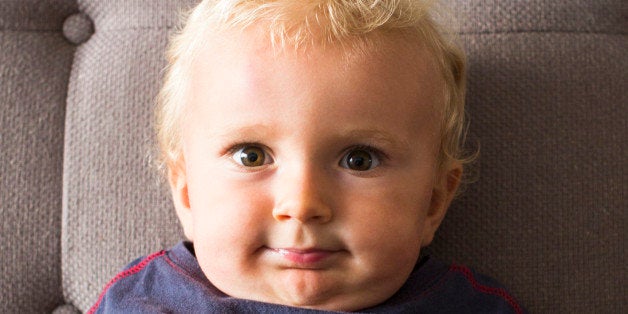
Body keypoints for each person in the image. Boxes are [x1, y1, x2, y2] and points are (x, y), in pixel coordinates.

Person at [90, 0, 524, 312]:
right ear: (185, 191)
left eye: (359, 160)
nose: (301, 204)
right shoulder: (142, 303)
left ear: (432, 202)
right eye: (252, 156)